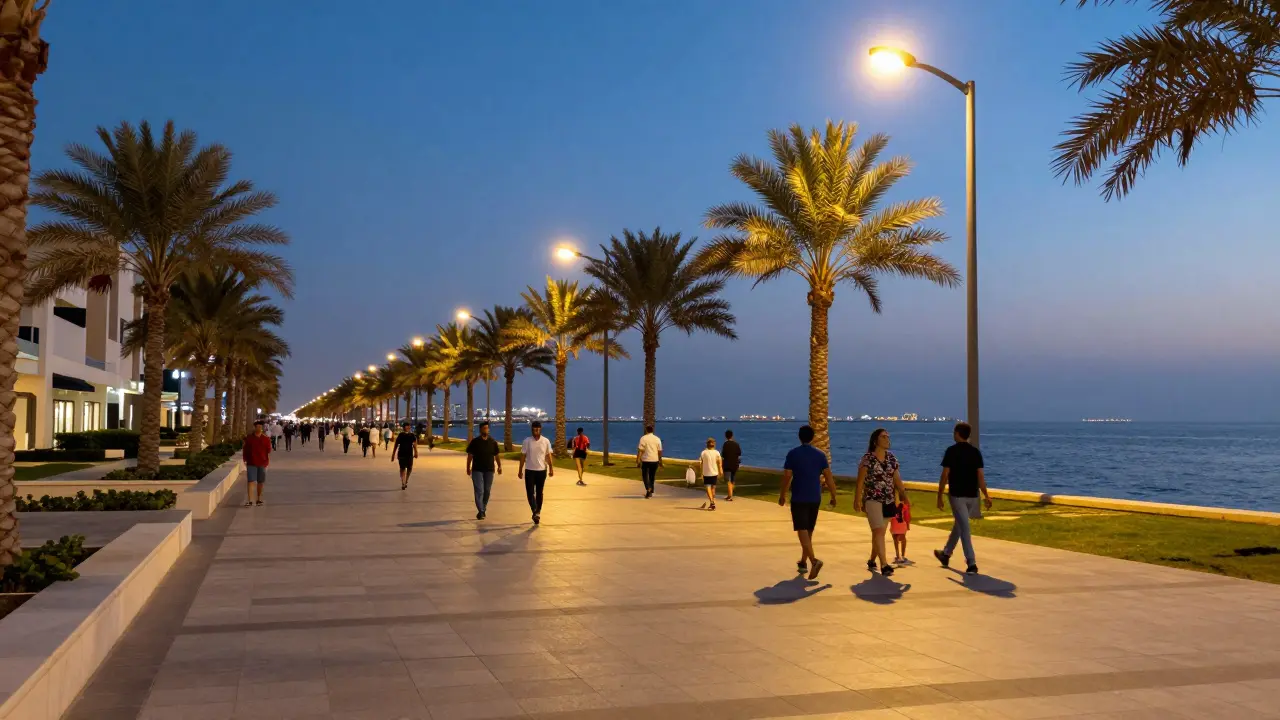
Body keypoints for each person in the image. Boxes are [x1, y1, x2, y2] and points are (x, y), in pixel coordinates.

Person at [779, 425, 837, 580]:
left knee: (801, 529)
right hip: (815, 497)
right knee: (808, 530)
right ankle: (803, 562)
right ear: (812, 437)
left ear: (799, 437)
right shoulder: (820, 455)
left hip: (799, 496)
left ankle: (814, 561)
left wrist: (782, 494)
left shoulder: (793, 454)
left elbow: (787, 476)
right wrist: (833, 495)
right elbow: (828, 476)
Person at [934, 422, 992, 575]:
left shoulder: (951, 451)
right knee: (961, 525)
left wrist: (939, 495)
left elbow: (944, 475)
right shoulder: (975, 452)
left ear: (957, 433)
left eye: (954, 432)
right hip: (973, 495)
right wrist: (986, 495)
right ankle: (946, 554)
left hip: (957, 496)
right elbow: (980, 476)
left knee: (964, 528)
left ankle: (971, 563)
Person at [855, 428, 908, 577]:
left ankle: (872, 559)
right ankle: (884, 564)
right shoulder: (868, 459)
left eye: (888, 437)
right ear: (875, 440)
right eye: (883, 437)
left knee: (879, 533)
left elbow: (897, 479)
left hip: (889, 500)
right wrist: (857, 499)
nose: (887, 439)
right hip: (872, 499)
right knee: (878, 531)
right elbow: (860, 481)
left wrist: (904, 495)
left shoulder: (891, 458)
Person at [519, 421, 554, 524]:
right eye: (534, 429)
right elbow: (523, 456)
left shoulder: (546, 441)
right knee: (530, 492)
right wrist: (520, 470)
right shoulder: (527, 441)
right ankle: (535, 510)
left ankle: (537, 512)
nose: (536, 431)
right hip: (529, 470)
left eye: (538, 429)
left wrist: (551, 468)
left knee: (539, 492)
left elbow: (548, 455)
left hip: (541, 471)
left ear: (540, 429)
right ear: (532, 430)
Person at [465, 421, 502, 519]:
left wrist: (499, 466)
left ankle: (483, 508)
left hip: (489, 470)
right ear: (480, 430)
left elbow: (496, 455)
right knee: (479, 490)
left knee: (487, 491)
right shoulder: (475, 442)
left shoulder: (493, 442)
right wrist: (468, 467)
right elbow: (470, 455)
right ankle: (481, 511)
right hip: (477, 470)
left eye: (487, 428)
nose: (486, 430)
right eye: (484, 428)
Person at [242, 420, 272, 507]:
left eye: (260, 427)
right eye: (257, 427)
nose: (259, 428)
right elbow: (245, 449)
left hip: (262, 463)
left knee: (260, 482)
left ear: (262, 428)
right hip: (251, 462)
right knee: (250, 481)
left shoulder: (266, 439)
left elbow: (269, 450)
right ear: (254, 428)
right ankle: (250, 500)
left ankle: (259, 499)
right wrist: (245, 459)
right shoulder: (249, 438)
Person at [636, 426, 663, 499]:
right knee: (652, 476)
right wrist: (660, 460)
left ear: (646, 430)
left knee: (645, 476)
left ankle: (648, 489)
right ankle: (650, 491)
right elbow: (660, 451)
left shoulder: (643, 438)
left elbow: (640, 450)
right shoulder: (657, 439)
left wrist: (638, 459)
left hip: (646, 460)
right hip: (655, 460)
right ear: (652, 430)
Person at [392, 421, 418, 490]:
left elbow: (415, 444)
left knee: (409, 468)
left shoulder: (412, 435)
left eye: (409, 426)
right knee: (402, 468)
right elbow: (396, 445)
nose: (408, 427)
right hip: (401, 454)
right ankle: (403, 483)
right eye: (407, 426)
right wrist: (393, 455)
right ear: (404, 427)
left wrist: (416, 452)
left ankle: (406, 480)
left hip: (409, 454)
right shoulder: (400, 435)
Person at [699, 437, 722, 511]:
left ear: (707, 444)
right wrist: (720, 471)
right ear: (714, 444)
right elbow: (719, 463)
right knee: (713, 488)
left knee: (708, 487)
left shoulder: (703, 453)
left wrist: (701, 473)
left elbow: (701, 464)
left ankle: (712, 502)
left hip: (706, 473)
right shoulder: (717, 452)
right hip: (714, 473)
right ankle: (713, 502)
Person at [891, 497, 912, 565]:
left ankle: (898, 555)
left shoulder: (891, 504)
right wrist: (908, 525)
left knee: (895, 540)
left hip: (894, 525)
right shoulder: (904, 506)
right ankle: (902, 555)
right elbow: (907, 516)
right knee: (903, 539)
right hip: (901, 525)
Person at [721, 430, 741, 502]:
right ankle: (730, 495)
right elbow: (739, 454)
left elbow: (723, 455)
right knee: (732, 480)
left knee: (728, 480)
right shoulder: (736, 444)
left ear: (726, 436)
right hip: (735, 464)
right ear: (732, 436)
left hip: (727, 464)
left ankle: (730, 496)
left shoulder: (725, 444)